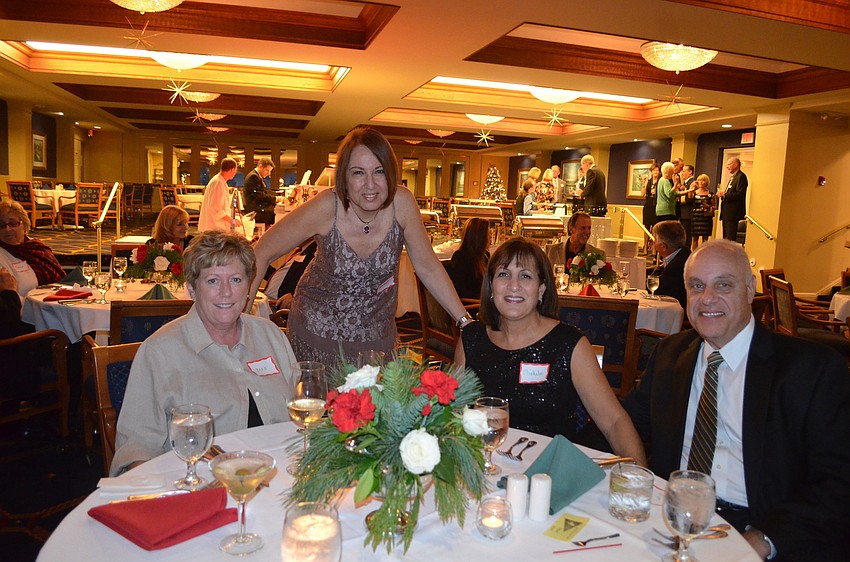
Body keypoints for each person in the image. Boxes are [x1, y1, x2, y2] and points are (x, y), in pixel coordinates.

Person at [624, 239, 850, 560]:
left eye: (723, 285)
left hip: (763, 526)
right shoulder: (670, 355)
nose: (707, 298)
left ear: (749, 289)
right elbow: (623, 423)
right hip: (674, 521)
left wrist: (762, 540)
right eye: (696, 286)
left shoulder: (809, 370)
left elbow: (838, 481)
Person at [249, 126, 472, 366]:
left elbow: (428, 267)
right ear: (344, 178)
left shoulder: (402, 204)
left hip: (376, 340)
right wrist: (239, 324)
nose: (370, 185)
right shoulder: (327, 207)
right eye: (358, 173)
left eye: (379, 171)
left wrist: (465, 323)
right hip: (316, 334)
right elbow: (261, 252)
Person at [111, 231, 296, 475]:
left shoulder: (271, 336)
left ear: (249, 286)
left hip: (282, 476)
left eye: (236, 280)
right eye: (212, 281)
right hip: (200, 482)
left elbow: (300, 415)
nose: (226, 292)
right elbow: (137, 450)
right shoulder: (159, 352)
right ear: (192, 289)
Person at [456, 238, 646, 463]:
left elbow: (614, 421)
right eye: (503, 274)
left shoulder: (569, 345)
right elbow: (452, 413)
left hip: (548, 471)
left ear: (542, 289)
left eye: (525, 276)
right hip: (482, 465)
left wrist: (639, 476)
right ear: (491, 286)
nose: (513, 285)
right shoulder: (471, 340)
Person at [0, 200, 65, 299]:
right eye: (1, 225)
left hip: (54, 303)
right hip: (23, 307)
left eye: (12, 224)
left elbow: (61, 280)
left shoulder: (38, 247)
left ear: (24, 225)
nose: (7, 229)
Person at [650, 220, 690, 312]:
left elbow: (658, 290)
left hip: (677, 313)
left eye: (655, 241)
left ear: (663, 246)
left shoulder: (677, 265)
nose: (653, 245)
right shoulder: (683, 255)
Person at [447, 217, 490, 300]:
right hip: (471, 304)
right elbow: (459, 291)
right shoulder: (460, 257)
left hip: (481, 302)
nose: (490, 237)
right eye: (488, 234)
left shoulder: (485, 256)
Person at [198, 157, 238, 232]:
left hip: (215, 226)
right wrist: (232, 221)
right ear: (232, 170)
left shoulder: (220, 181)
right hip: (214, 227)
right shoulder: (218, 183)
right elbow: (215, 209)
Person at [718, 157, 748, 242]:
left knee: (730, 239)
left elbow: (740, 194)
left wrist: (725, 194)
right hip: (726, 213)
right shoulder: (733, 177)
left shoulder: (741, 177)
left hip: (733, 213)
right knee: (725, 238)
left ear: (736, 165)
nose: (727, 167)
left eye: (729, 164)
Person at [242, 157, 277, 226]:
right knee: (276, 213)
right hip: (254, 210)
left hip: (256, 207)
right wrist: (276, 199)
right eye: (267, 170)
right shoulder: (253, 176)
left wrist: (276, 195)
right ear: (260, 166)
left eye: (270, 171)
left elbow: (264, 192)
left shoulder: (256, 176)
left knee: (276, 210)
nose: (268, 173)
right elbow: (258, 195)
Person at [691, 173, 716, 249]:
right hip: (696, 217)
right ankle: (694, 254)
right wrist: (691, 187)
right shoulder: (694, 193)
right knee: (695, 238)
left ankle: (704, 253)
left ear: (706, 182)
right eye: (699, 180)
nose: (701, 182)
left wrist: (708, 206)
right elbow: (689, 198)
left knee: (705, 239)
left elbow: (714, 207)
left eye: (703, 180)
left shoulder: (711, 194)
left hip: (706, 218)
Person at [641, 162, 660, 253]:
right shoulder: (648, 181)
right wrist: (643, 184)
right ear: (651, 172)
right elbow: (642, 194)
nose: (655, 172)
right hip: (648, 205)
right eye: (654, 170)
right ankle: (645, 246)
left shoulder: (660, 181)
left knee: (655, 226)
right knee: (647, 226)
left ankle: (654, 247)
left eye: (657, 170)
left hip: (656, 205)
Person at [677, 164, 696, 248]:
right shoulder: (684, 184)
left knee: (687, 237)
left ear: (690, 172)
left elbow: (690, 199)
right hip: (683, 213)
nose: (682, 173)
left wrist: (679, 198)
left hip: (688, 214)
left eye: (684, 171)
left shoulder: (693, 183)